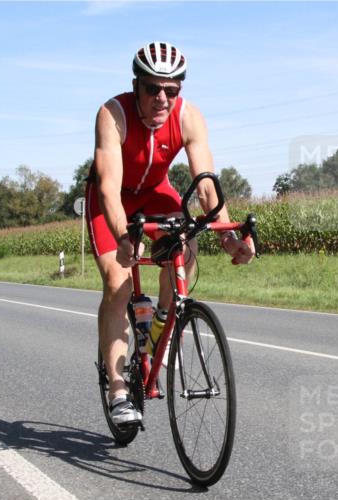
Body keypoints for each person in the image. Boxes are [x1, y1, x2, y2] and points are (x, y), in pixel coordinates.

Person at [87, 41, 254, 426]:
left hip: (156, 193)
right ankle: (117, 388)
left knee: (187, 242)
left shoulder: (189, 117)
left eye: (172, 90)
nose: (162, 98)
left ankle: (160, 323)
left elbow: (207, 186)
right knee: (118, 282)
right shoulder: (113, 115)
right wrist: (124, 237)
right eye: (152, 89)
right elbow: (110, 187)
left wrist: (228, 237)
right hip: (110, 200)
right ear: (136, 85)